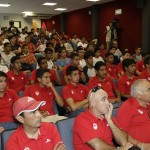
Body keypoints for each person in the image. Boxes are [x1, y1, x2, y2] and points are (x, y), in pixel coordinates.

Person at [73, 86, 132, 150]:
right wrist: (119, 149)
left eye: (107, 99)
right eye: (103, 99)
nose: (108, 103)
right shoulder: (81, 120)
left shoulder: (107, 116)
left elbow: (123, 142)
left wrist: (110, 121)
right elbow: (98, 146)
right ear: (92, 103)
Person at [116, 79, 150, 150]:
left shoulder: (147, 104)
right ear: (138, 95)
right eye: (148, 89)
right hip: (139, 147)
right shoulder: (127, 107)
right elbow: (120, 134)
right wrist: (141, 145)